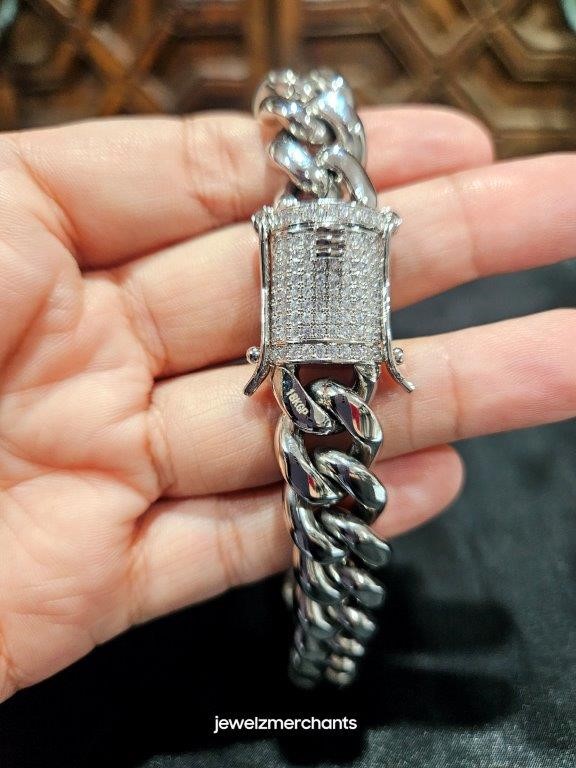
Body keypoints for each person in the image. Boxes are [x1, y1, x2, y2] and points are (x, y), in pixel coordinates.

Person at [0, 106, 574, 703]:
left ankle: (321, 636)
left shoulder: (315, 231)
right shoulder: (328, 227)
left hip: (323, 377)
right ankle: (322, 638)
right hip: (321, 379)